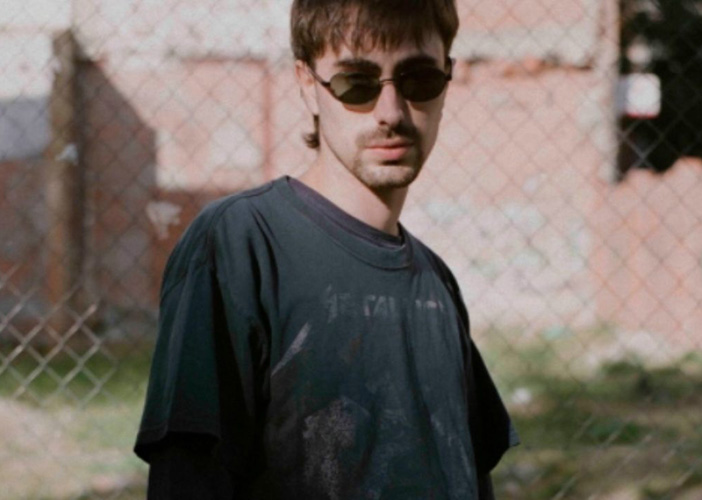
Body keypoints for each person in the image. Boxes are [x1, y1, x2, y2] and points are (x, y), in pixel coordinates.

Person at [134, 0, 519, 498]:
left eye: (420, 79)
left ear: (447, 78)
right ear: (306, 84)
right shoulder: (241, 244)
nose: (391, 112)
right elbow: (187, 478)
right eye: (356, 83)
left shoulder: (436, 282)